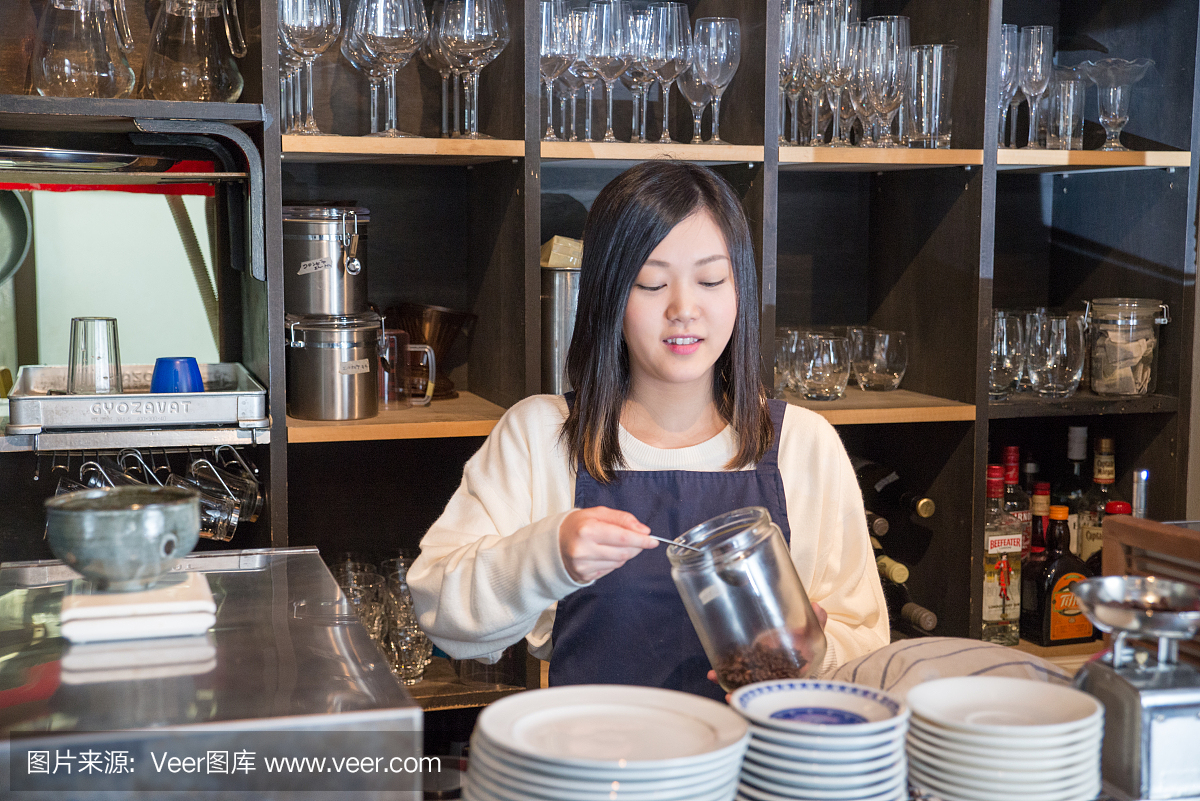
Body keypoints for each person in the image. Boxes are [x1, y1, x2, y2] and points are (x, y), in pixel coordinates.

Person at [408, 161, 888, 701]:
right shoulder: (540, 433)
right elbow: (439, 613)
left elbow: (866, 638)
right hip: (601, 771)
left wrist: (816, 654)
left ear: (740, 288)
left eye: (710, 280)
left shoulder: (804, 444)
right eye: (651, 283)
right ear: (608, 293)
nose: (684, 309)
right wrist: (550, 556)